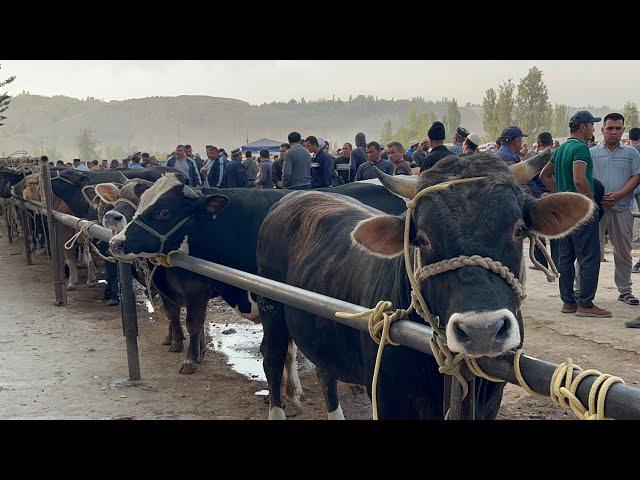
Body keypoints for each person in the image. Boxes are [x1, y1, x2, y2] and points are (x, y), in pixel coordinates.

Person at [539, 110, 611, 318]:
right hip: (579, 211)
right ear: (583, 127)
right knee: (589, 257)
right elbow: (579, 179)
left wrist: (560, 193)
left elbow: (545, 175)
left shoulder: (560, 149)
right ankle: (586, 304)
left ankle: (568, 302)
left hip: (563, 212)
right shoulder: (581, 149)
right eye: (591, 125)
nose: (593, 129)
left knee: (566, 257)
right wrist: (589, 201)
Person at [590, 113, 640, 307]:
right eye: (610, 128)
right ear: (602, 130)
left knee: (623, 251)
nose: (614, 132)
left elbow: (636, 176)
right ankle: (583, 291)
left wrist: (619, 194)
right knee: (591, 251)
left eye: (618, 128)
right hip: (597, 209)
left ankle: (625, 290)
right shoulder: (592, 153)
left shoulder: (631, 154)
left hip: (622, 208)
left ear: (623, 130)